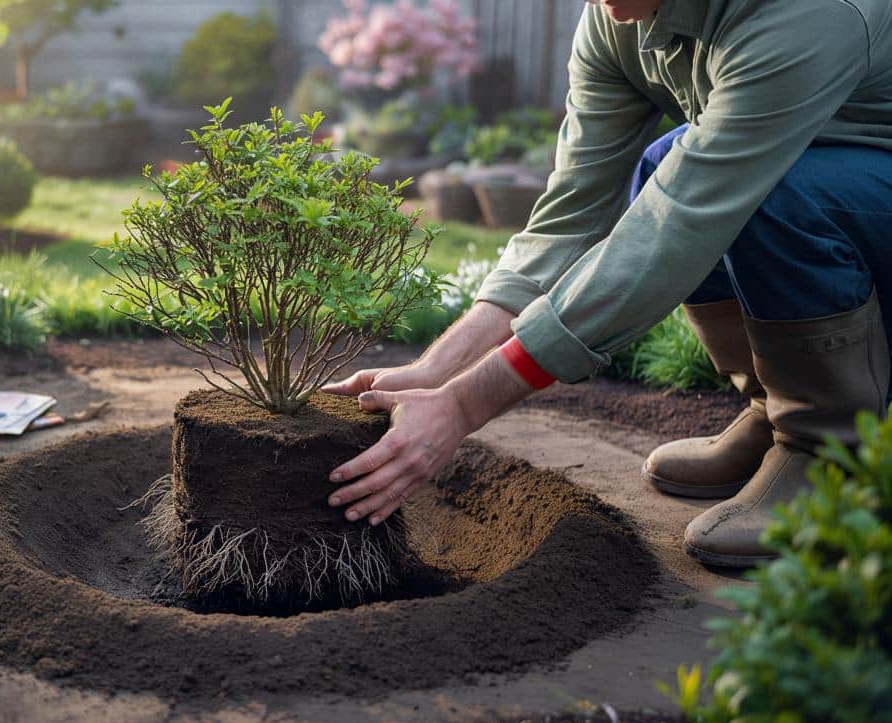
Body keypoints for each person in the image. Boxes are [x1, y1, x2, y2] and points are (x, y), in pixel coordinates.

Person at [323, 0, 892, 568]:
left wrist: (464, 406)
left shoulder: (809, 11)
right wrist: (438, 369)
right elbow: (573, 212)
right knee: (658, 164)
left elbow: (680, 223)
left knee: (766, 191)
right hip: (827, 166)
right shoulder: (616, 17)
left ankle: (829, 450)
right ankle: (775, 410)